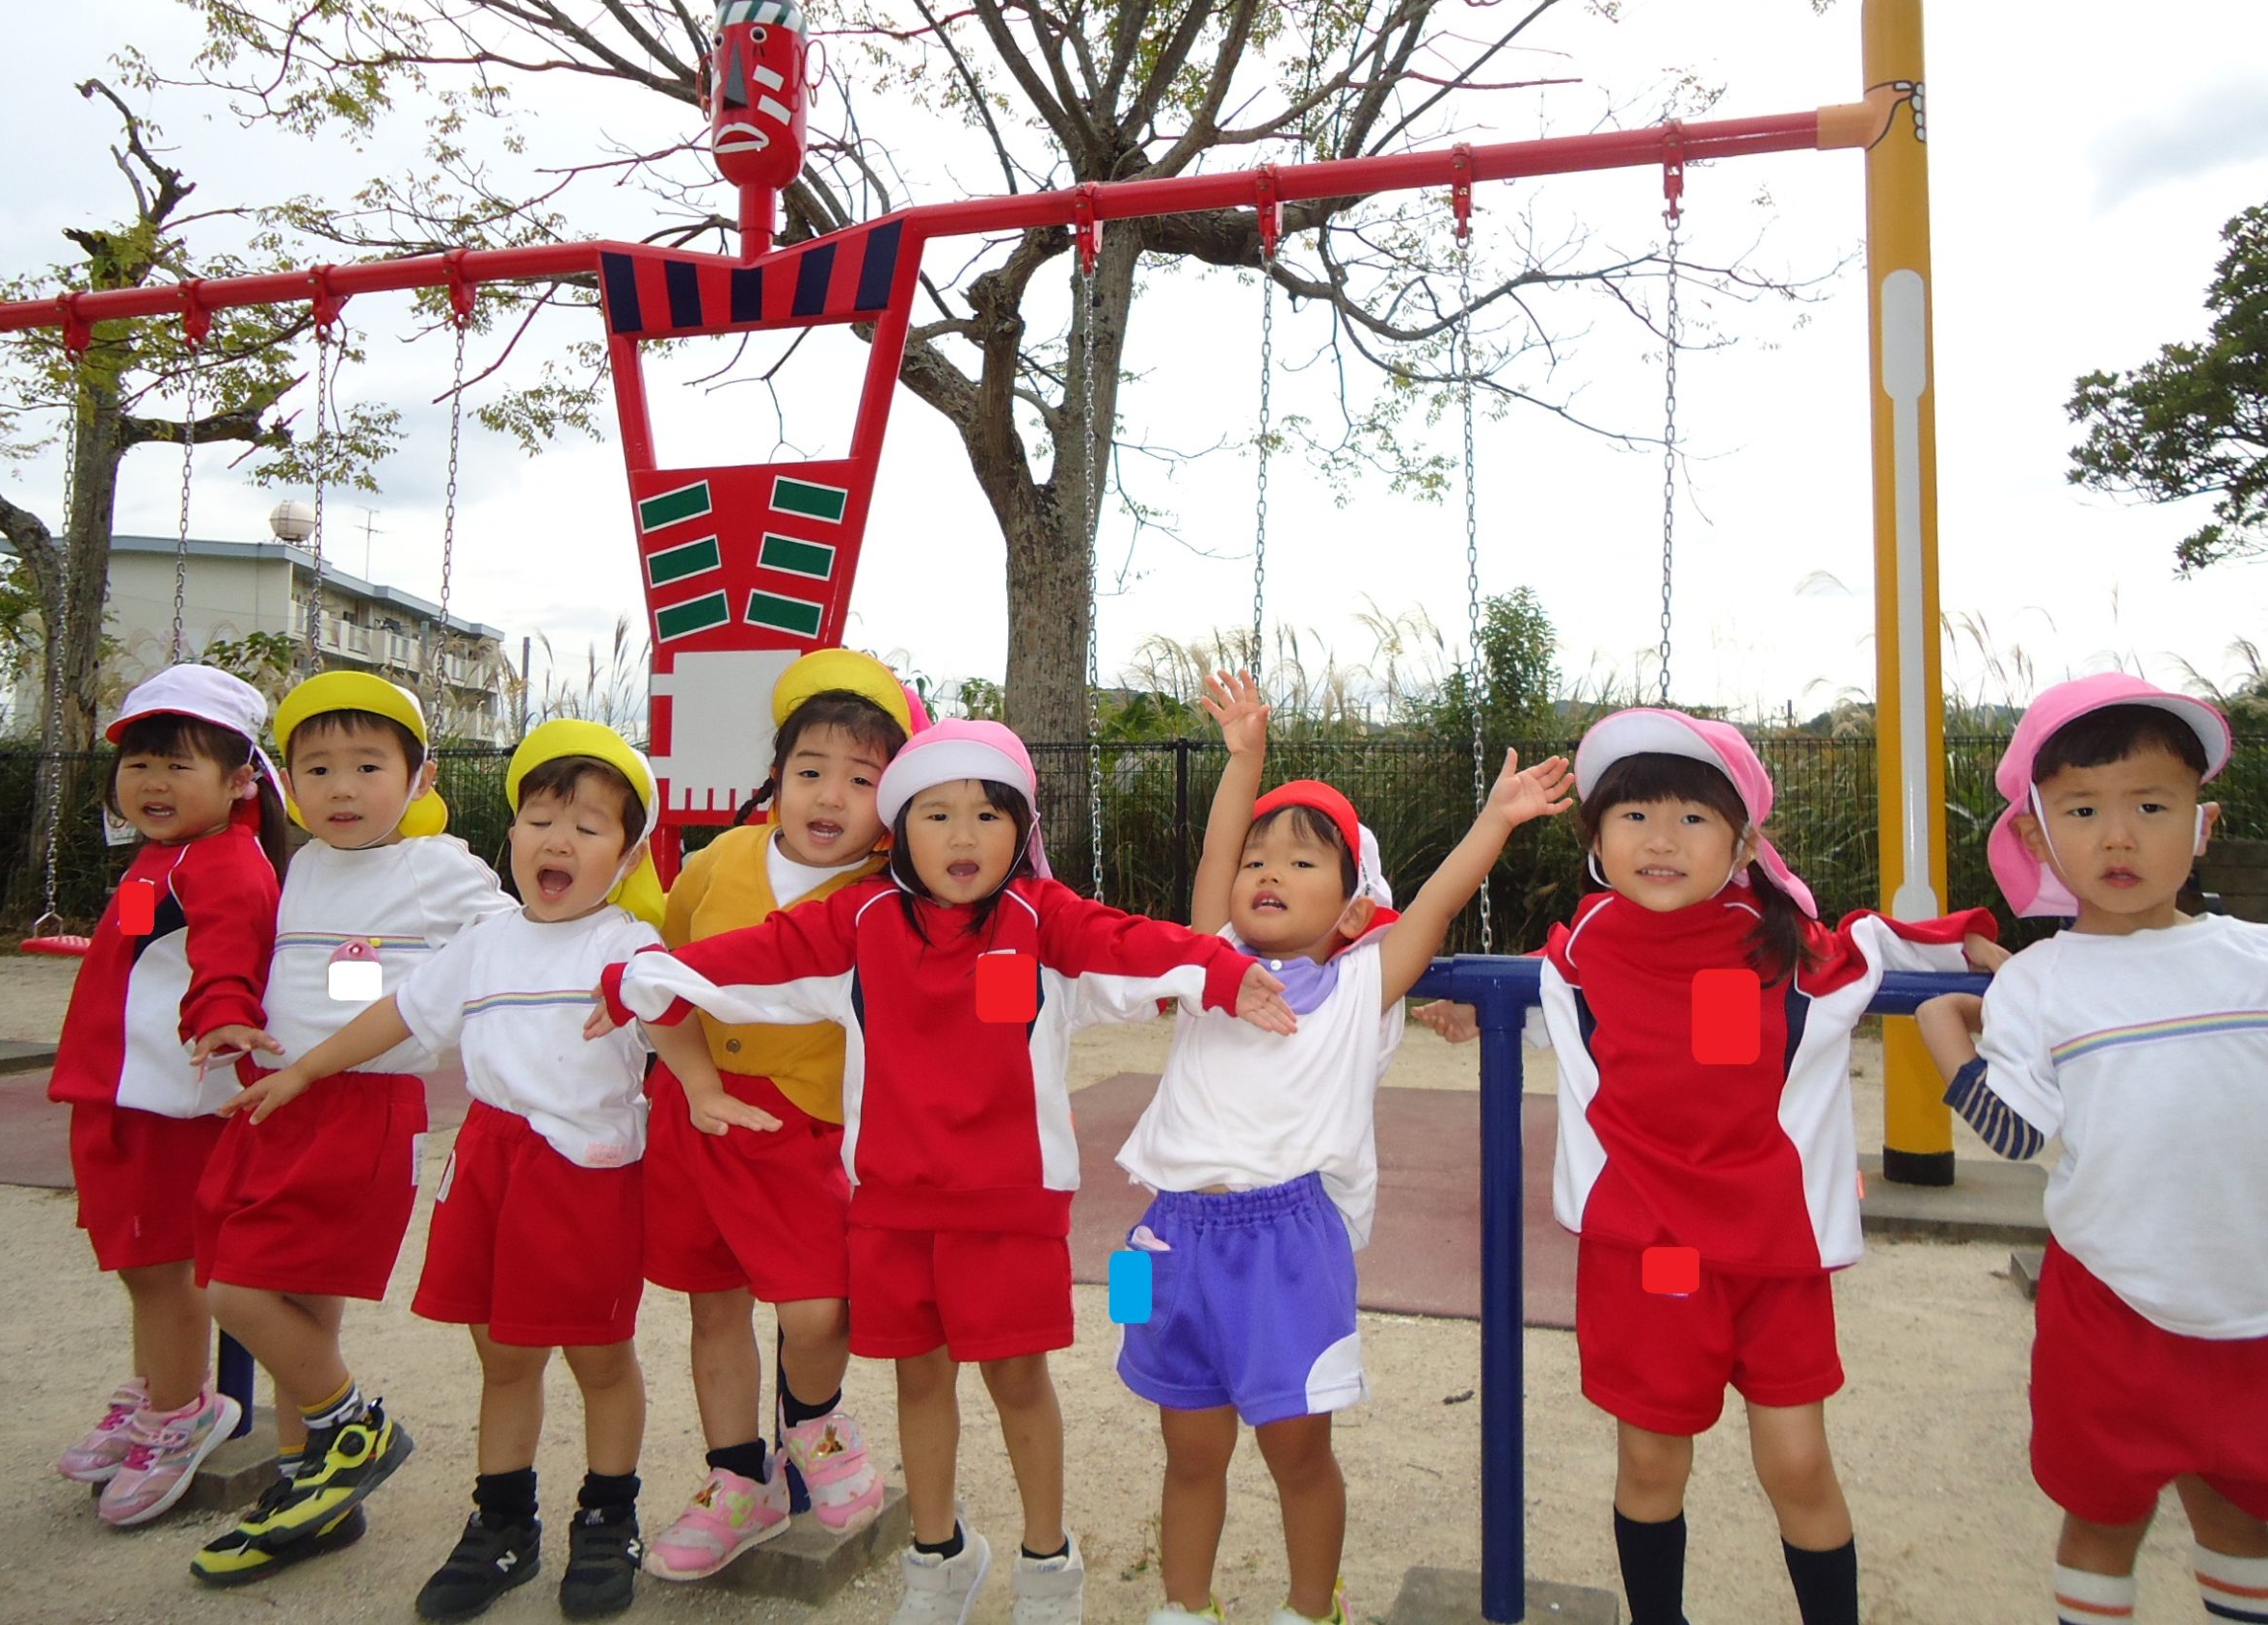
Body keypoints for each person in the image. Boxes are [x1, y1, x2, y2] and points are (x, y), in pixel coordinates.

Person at [595, 718, 1294, 1625]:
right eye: (936, 814)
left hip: (1010, 1209)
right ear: (901, 828)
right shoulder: (861, 920)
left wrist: (1222, 971)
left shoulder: (1046, 919)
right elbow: (758, 956)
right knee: (919, 1381)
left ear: (1019, 829)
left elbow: (1134, 943)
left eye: (987, 814)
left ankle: (1049, 1561)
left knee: (1015, 1380)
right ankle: (939, 1554)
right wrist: (650, 977)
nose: (963, 838)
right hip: (890, 1209)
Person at [1427, 707, 2000, 1625]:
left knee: (1799, 1461)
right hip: (1650, 1255)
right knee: (1652, 1460)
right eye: (1634, 816)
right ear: (1596, 841)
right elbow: (1548, 1007)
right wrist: (1471, 1008)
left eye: (1693, 818)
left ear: (1742, 843)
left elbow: (1887, 941)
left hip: (1774, 1259)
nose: (1661, 839)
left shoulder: (1786, 948)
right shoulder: (1581, 950)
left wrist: (1972, 939)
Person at [226, 721, 750, 1621]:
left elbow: (669, 1018)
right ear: (510, 836)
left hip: (584, 1172)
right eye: (541, 817)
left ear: (625, 861)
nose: (559, 839)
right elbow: (401, 1012)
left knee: (597, 1354)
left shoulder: (626, 946)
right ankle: (502, 1521)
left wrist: (699, 1088)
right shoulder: (486, 940)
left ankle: (607, 1515)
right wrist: (309, 1067)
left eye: (589, 828)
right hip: (492, 1165)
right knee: (502, 1354)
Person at [1911, 675, 2268, 1625]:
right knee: (2101, 1512)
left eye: (2150, 805)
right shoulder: (2040, 983)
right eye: (2082, 811)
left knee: (2235, 1507)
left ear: (2201, 823)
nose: (2118, 836)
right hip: (2112, 1302)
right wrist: (1944, 1029)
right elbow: (2017, 1132)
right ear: (2036, 838)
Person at [1117, 671, 1573, 1625]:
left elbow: (1437, 906)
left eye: (1301, 863)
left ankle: (1307, 1606)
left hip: (1287, 1245)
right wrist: (1245, 758)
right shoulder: (1209, 966)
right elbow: (1211, 856)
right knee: (1189, 1451)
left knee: (1296, 1453)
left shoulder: (1359, 990)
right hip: (1168, 1240)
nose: (1267, 875)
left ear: (1356, 908)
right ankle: (1180, 1605)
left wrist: (1494, 820)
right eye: (1257, 862)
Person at [186, 672, 518, 1584]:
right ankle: (312, 1491)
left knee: (232, 1288)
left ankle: (352, 1426)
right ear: (286, 781)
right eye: (317, 767)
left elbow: (513, 937)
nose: (340, 788)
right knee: (300, 1304)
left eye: (367, 766)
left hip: (360, 1108)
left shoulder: (436, 865)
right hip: (277, 1098)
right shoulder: (303, 865)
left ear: (419, 777)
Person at [641, 649, 921, 1581]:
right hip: (696, 1113)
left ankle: (813, 1420)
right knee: (711, 1303)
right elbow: (665, 978)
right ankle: (736, 1480)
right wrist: (687, 1081)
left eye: (861, 778)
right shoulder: (719, 860)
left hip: (803, 1128)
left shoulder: (889, 895)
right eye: (809, 771)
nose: (829, 795)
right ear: (776, 776)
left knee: (815, 1308)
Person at [48, 664, 286, 1527]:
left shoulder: (224, 862)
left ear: (238, 780)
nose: (152, 781)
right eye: (140, 762)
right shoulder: (166, 856)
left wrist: (224, 1018)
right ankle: (159, 1390)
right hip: (123, 1089)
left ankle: (183, 1412)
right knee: (138, 1263)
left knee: (165, 1269)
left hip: (168, 1097)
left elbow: (228, 960)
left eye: (178, 764)